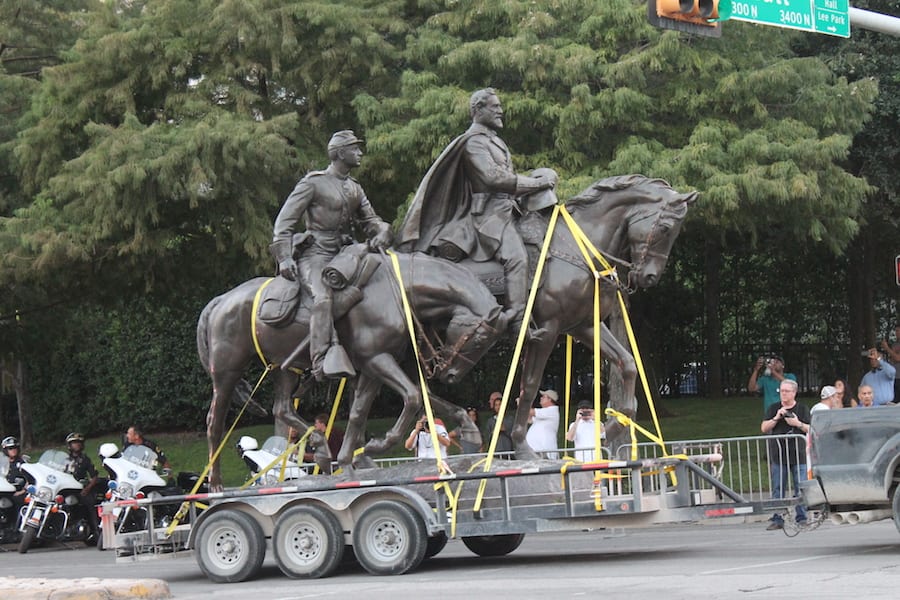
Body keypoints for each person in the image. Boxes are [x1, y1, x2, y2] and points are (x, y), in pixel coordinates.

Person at [396, 88, 557, 336]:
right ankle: (517, 322)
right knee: (517, 258)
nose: (500, 111)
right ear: (477, 110)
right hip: (489, 216)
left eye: (499, 106)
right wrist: (537, 183)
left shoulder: (494, 140)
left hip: (507, 208)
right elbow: (494, 179)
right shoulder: (473, 142)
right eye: (494, 107)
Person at [271, 130, 393, 380]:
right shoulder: (313, 183)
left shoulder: (355, 188)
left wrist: (383, 231)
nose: (360, 152)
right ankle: (320, 361)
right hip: (315, 254)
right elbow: (284, 222)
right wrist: (284, 257)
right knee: (323, 297)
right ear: (339, 153)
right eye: (354, 148)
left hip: (345, 254)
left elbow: (370, 221)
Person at [760, 379, 810, 530]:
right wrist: (776, 417)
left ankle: (801, 517)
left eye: (787, 391)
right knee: (778, 488)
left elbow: (811, 428)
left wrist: (797, 424)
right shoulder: (773, 408)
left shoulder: (802, 409)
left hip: (798, 454)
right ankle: (778, 518)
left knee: (800, 487)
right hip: (779, 454)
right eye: (781, 391)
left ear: (794, 392)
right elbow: (763, 428)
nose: (783, 394)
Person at [64, 432, 100, 541]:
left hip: (80, 490)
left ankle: (96, 532)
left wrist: (87, 488)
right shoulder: (64, 459)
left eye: (79, 443)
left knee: (90, 503)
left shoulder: (85, 459)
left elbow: (94, 477)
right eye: (74, 443)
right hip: (65, 489)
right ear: (69, 445)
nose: (77, 445)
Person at [526, 390, 560, 459]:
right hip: (537, 452)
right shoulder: (544, 413)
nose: (541, 398)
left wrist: (522, 404)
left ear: (550, 399)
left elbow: (530, 411)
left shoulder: (552, 410)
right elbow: (529, 419)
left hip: (543, 452)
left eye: (543, 397)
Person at [2, 436, 27, 510]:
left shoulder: (23, 463)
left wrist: (22, 491)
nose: (13, 450)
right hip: (4, 492)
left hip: (17, 493)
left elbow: (29, 481)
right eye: (10, 448)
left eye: (15, 448)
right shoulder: (2, 463)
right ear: (5, 450)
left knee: (18, 501)